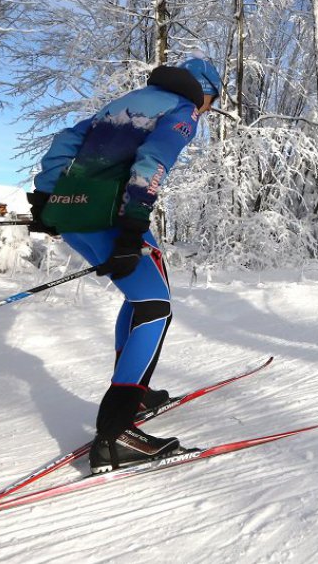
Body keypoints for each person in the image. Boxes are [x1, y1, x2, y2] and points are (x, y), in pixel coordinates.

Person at [27, 56, 222, 473]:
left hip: (75, 214)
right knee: (155, 307)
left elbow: (65, 141)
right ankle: (116, 435)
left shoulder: (128, 100)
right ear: (202, 90)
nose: (206, 109)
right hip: (113, 217)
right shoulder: (182, 109)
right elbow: (153, 161)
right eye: (211, 100)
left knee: (141, 297)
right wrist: (135, 221)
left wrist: (44, 200)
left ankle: (136, 393)